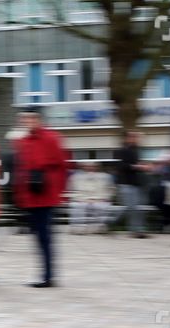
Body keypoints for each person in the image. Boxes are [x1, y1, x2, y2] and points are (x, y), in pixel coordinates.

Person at [12, 111, 68, 286]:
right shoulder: (24, 141)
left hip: (45, 194)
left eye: (30, 118)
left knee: (45, 237)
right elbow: (21, 170)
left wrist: (57, 191)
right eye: (24, 119)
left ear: (39, 119)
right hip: (31, 195)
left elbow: (62, 166)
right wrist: (21, 195)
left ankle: (48, 276)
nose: (27, 122)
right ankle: (45, 274)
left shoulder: (51, 138)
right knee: (38, 238)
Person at [116, 131, 149, 237]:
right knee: (131, 208)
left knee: (137, 208)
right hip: (126, 183)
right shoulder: (122, 151)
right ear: (127, 139)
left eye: (137, 137)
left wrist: (145, 167)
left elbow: (136, 165)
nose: (136, 139)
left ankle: (137, 230)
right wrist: (137, 167)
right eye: (133, 137)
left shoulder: (136, 151)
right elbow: (121, 166)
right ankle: (109, 222)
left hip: (137, 184)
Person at [68, 162, 116, 234]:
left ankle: (100, 228)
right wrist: (80, 199)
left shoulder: (105, 176)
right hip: (81, 199)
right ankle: (78, 229)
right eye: (88, 166)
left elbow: (111, 189)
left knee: (102, 206)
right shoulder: (76, 177)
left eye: (93, 166)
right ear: (83, 167)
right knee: (77, 206)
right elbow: (72, 190)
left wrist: (105, 198)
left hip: (100, 198)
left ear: (97, 167)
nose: (90, 168)